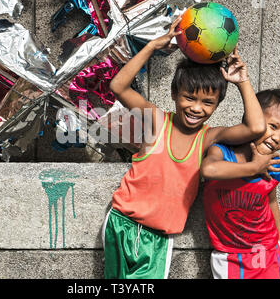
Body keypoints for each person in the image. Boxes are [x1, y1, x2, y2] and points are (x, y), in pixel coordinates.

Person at [102, 15, 267, 279]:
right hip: (121, 222)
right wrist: (152, 47)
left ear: (216, 106)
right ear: (174, 95)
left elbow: (256, 128)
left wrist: (243, 81)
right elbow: (117, 86)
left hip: (159, 238)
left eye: (207, 103)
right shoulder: (156, 121)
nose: (196, 108)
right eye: (189, 97)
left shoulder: (209, 137)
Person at [200, 88, 280, 279]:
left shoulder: (275, 169)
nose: (277, 138)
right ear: (253, 119)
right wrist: (254, 168)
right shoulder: (221, 152)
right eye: (273, 126)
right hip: (229, 256)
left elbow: (271, 202)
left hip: (268, 252)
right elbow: (209, 169)